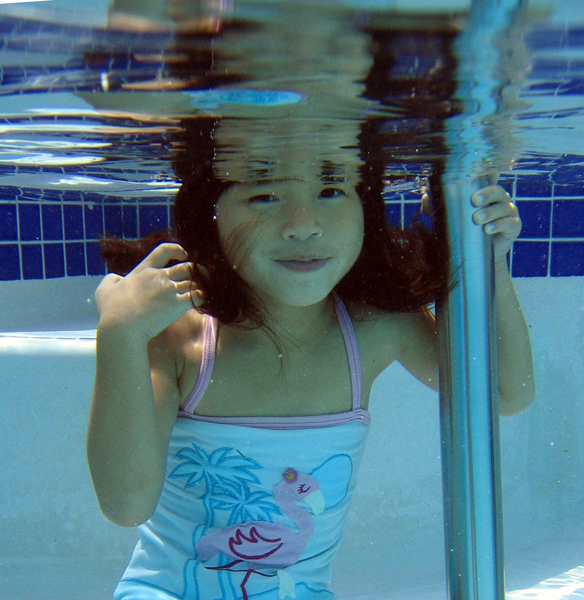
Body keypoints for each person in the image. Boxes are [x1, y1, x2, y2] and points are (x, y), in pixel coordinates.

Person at [87, 117, 535, 600]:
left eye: (331, 189)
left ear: (366, 204)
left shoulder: (373, 330)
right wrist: (120, 335)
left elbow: (505, 393)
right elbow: (126, 504)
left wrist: (481, 259)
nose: (303, 225)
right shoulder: (181, 337)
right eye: (263, 194)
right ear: (209, 213)